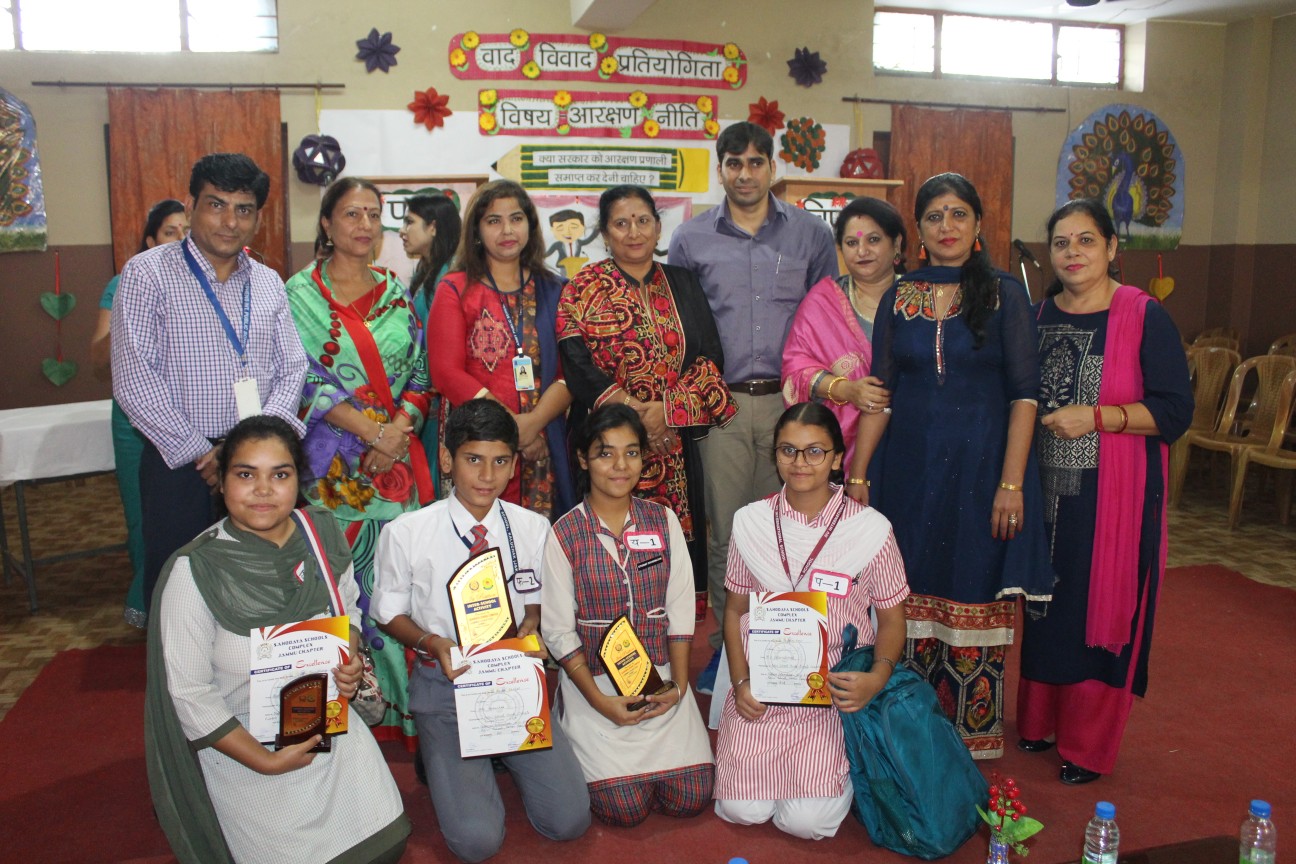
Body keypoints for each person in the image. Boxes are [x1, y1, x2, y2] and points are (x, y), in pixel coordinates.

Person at [849, 172, 1054, 760]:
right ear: (919, 229)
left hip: (981, 469)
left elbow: (1024, 394)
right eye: (935, 216)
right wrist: (859, 475)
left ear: (979, 225)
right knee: (902, 590)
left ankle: (969, 739)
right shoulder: (900, 295)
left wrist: (1012, 483)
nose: (947, 227)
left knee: (971, 585)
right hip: (908, 470)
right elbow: (880, 392)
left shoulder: (1003, 294)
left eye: (959, 214)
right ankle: (907, 734)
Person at [145, 415, 410, 864]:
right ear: (222, 482)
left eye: (280, 475)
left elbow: (347, 614)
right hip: (242, 743)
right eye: (246, 474)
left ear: (297, 480)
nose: (263, 490)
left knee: (384, 846)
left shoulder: (321, 535)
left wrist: (349, 662)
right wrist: (265, 761)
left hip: (326, 725)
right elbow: (190, 693)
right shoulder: (193, 572)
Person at [1017, 199, 1192, 784]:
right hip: (1044, 493)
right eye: (1061, 242)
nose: (1072, 253)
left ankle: (1087, 746)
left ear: (1113, 248)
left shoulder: (1143, 316)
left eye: (1086, 241)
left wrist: (1098, 417)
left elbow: (1174, 410)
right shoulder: (1038, 316)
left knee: (1099, 608)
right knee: (1045, 605)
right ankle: (1038, 722)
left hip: (1113, 496)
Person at [371, 399, 591, 863]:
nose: (487, 476)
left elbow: (536, 596)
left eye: (499, 462)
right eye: (473, 460)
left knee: (569, 820)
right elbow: (386, 613)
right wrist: (432, 642)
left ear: (514, 464)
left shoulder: (532, 527)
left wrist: (532, 621)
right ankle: (447, 751)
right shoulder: (408, 531)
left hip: (513, 684)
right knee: (476, 843)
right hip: (445, 684)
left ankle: (484, 756)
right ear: (448, 460)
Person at [668, 121, 838, 692]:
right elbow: (682, 327)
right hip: (723, 409)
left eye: (755, 162)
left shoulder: (811, 236)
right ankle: (726, 649)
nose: (744, 173)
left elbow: (827, 318)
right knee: (729, 535)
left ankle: (787, 641)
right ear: (720, 169)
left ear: (772, 167)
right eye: (733, 163)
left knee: (793, 528)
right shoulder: (692, 240)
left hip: (794, 406)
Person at [112, 153, 309, 613]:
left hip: (259, 464)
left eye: (243, 210)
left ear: (257, 218)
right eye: (216, 205)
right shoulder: (147, 274)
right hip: (180, 464)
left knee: (259, 583)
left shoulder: (268, 282)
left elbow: (292, 368)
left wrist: (253, 443)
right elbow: (135, 377)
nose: (229, 221)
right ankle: (181, 685)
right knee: (180, 591)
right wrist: (204, 452)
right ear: (191, 205)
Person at [284, 176, 434, 745]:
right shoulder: (298, 293)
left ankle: (402, 705)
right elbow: (300, 377)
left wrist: (397, 431)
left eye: (374, 214)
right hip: (333, 475)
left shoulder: (397, 293)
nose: (365, 225)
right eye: (351, 214)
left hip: (395, 470)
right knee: (343, 582)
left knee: (399, 584)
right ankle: (348, 701)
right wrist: (373, 430)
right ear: (326, 223)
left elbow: (421, 375)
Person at [714, 402, 908, 839]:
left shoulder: (871, 530)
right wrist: (741, 683)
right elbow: (734, 610)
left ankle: (839, 768)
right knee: (742, 811)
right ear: (776, 455)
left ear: (838, 458)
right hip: (761, 690)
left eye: (815, 451)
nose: (800, 463)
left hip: (831, 696)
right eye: (788, 451)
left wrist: (876, 678)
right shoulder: (751, 523)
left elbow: (893, 619)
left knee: (808, 824)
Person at [558, 185, 737, 615]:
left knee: (675, 548)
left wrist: (666, 411)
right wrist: (631, 416)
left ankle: (671, 646)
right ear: (604, 233)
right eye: (621, 223)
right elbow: (574, 357)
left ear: (658, 227)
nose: (633, 232)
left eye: (643, 221)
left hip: (673, 445)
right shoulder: (582, 287)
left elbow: (711, 356)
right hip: (607, 445)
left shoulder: (683, 282)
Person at [541, 404, 714, 827]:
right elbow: (559, 632)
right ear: (583, 459)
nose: (620, 465)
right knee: (624, 808)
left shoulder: (663, 519)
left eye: (631, 452)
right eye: (605, 453)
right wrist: (601, 703)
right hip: (597, 684)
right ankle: (575, 719)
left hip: (661, 677)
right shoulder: (563, 533)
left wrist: (676, 687)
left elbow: (679, 609)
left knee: (691, 797)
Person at [427, 179, 576, 520]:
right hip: (478, 444)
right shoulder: (455, 288)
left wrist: (534, 424)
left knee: (541, 547)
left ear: (530, 226)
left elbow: (570, 373)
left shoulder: (556, 290)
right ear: (477, 230)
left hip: (545, 440)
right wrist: (513, 429)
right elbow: (446, 373)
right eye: (494, 220)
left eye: (516, 218)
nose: (507, 230)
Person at [91, 198, 187, 628]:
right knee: (143, 517)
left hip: (187, 415)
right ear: (150, 240)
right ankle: (150, 608)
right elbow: (97, 361)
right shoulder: (125, 281)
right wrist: (124, 331)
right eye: (170, 231)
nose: (180, 239)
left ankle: (189, 615)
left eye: (187, 230)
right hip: (136, 418)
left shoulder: (201, 283)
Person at [782, 196, 904, 463]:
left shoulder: (918, 299)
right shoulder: (822, 302)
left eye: (873, 240)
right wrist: (847, 390)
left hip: (911, 437)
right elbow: (796, 370)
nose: (862, 251)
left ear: (896, 244)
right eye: (852, 243)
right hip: (845, 449)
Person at [400, 192, 462, 503]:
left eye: (410, 222)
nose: (402, 230)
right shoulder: (425, 270)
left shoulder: (449, 276)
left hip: (440, 400)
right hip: (422, 396)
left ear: (434, 227)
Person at [545, 208, 598, 278]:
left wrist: (597, 228)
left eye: (573, 227)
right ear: (552, 230)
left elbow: (590, 238)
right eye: (560, 229)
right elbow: (547, 254)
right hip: (563, 267)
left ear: (582, 227)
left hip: (577, 267)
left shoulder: (580, 242)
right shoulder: (557, 244)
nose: (568, 232)